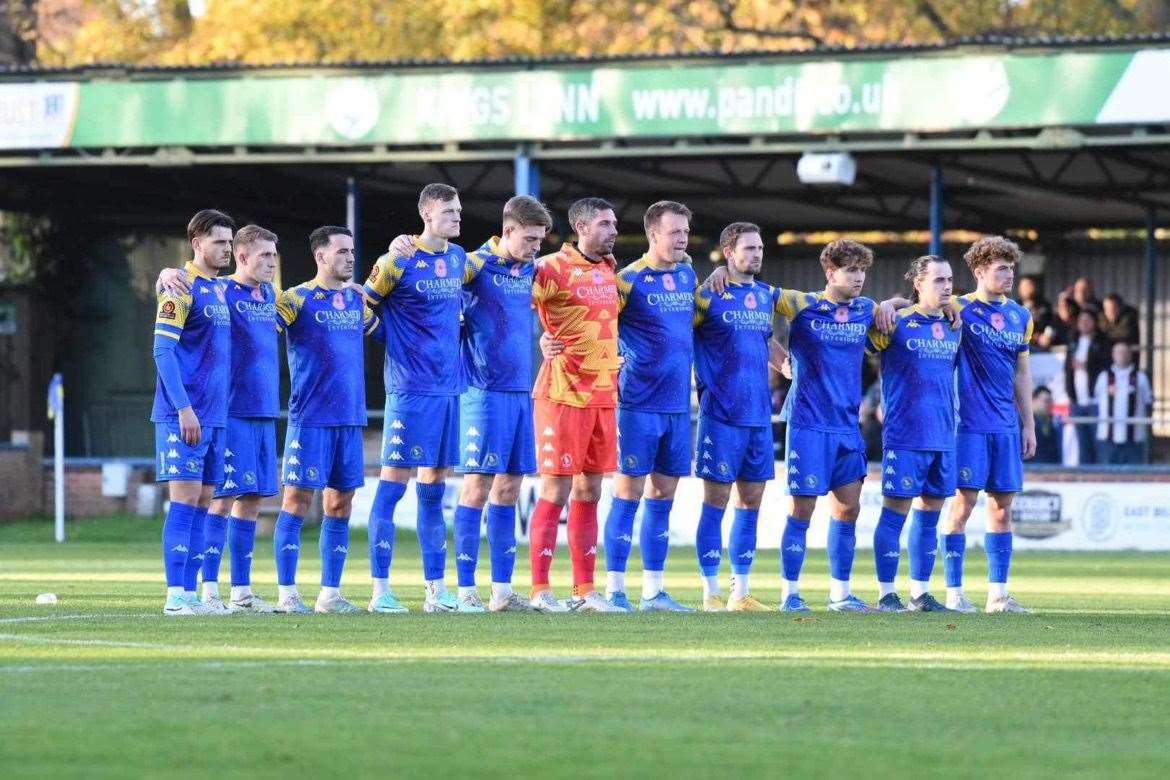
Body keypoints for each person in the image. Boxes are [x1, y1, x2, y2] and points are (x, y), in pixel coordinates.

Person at [389, 196, 552, 612]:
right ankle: (464, 590)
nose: (535, 247)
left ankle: (501, 592)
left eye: (540, 240)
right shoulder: (472, 264)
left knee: (510, 487)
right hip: (481, 391)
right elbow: (427, 271)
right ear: (509, 230)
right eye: (529, 239)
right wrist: (400, 246)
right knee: (477, 486)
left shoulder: (532, 268)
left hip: (520, 393)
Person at [364, 183, 473, 613]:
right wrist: (391, 339)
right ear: (426, 214)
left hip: (449, 389)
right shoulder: (397, 260)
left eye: (459, 210)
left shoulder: (458, 259)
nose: (457, 216)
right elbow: (361, 304)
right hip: (410, 391)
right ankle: (380, 591)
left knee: (434, 489)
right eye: (449, 211)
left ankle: (435, 591)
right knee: (393, 486)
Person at [270, 226, 384, 614]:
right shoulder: (295, 300)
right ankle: (287, 593)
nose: (351, 258)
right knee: (297, 500)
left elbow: (390, 333)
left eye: (352, 251)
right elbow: (257, 324)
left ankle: (330, 594)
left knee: (340, 505)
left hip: (350, 420)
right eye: (342, 251)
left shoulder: (356, 302)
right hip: (310, 418)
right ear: (320, 256)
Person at [774, 239, 882, 613]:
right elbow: (750, 303)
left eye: (862, 270)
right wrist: (779, 359)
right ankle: (790, 594)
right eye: (851, 270)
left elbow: (901, 313)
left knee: (848, 510)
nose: (859, 278)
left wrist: (894, 305)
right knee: (801, 510)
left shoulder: (866, 310)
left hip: (847, 428)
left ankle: (840, 594)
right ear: (829, 271)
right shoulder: (801, 304)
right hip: (808, 424)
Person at [600, 201, 697, 613]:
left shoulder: (688, 274)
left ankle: (654, 591)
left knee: (665, 494)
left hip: (678, 406)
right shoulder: (626, 282)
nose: (683, 239)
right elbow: (595, 324)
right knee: (629, 491)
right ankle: (615, 589)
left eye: (686, 232)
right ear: (654, 234)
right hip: (637, 404)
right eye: (675, 232)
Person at [527, 197, 623, 612]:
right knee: (556, 488)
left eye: (614, 223)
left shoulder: (609, 268)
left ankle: (585, 591)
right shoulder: (549, 267)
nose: (613, 230)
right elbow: (512, 303)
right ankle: (540, 590)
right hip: (562, 394)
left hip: (604, 395)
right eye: (605, 223)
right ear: (582, 226)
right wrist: (539, 339)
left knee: (591, 489)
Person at [942, 236, 1036, 614]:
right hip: (969, 425)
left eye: (1011, 268)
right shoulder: (958, 308)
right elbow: (913, 309)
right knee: (962, 506)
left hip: (1005, 426)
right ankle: (954, 593)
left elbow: (1022, 374)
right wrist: (887, 305)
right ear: (980, 271)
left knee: (1003, 507)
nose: (1009, 274)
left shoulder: (1020, 316)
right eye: (1001, 268)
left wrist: (1027, 424)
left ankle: (998, 595)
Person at [691, 223, 781, 611]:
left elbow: (765, 340)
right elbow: (674, 331)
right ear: (729, 252)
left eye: (760, 248)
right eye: (749, 248)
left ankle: (739, 592)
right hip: (720, 414)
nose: (757, 254)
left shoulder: (764, 296)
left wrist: (786, 362)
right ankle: (710, 590)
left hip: (758, 415)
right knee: (716, 501)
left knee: (751, 501)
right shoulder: (706, 296)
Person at [867, 255, 961, 612]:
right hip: (905, 436)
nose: (947, 286)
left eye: (949, 279)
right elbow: (859, 340)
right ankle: (886, 593)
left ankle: (920, 593)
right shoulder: (896, 322)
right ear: (918, 283)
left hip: (943, 436)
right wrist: (888, 304)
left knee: (930, 514)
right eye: (938, 280)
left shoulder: (957, 324)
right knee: (895, 512)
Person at [152, 209, 234, 616]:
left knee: (204, 502)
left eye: (231, 242)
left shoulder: (220, 290)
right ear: (197, 243)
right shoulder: (179, 288)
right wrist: (184, 408)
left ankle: (192, 592)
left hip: (215, 416)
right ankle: (175, 595)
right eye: (220, 242)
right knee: (184, 501)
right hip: (184, 415)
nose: (228, 249)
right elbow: (162, 350)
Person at [1063, 310, 1111, 465]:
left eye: (1087, 320)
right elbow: (1067, 370)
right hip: (1077, 401)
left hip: (1095, 401)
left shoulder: (1102, 342)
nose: (1084, 323)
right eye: (1081, 320)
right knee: (1082, 443)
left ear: (1095, 322)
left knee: (1098, 442)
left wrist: (1087, 366)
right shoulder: (1073, 342)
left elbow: (1106, 366)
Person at [1094, 342, 1153, 465]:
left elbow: (1148, 402)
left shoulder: (1140, 377)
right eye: (1118, 352)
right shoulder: (1103, 377)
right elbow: (1096, 401)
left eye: (1125, 352)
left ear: (1130, 355)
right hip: (1107, 438)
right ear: (1113, 355)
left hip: (1134, 438)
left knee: (1134, 477)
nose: (1121, 355)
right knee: (1107, 476)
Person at [1017, 275, 1053, 351]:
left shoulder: (1045, 305)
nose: (1026, 289)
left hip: (1041, 346)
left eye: (1028, 285)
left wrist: (1047, 335)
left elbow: (1051, 323)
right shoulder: (1014, 307)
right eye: (1023, 286)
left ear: (1034, 287)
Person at [1031, 386, 1063, 464]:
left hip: (1052, 468)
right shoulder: (1023, 423)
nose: (1049, 405)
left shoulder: (1054, 422)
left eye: (1051, 401)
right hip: (1031, 469)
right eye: (1046, 401)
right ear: (1034, 401)